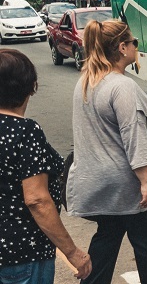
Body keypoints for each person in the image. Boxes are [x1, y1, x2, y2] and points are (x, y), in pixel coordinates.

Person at [66, 20, 147, 284]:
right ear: (123, 48)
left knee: (105, 244)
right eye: (134, 42)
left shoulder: (85, 82)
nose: (136, 47)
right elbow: (133, 136)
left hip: (100, 185)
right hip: (130, 187)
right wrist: (146, 182)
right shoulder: (121, 86)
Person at [0, 49, 92, 284]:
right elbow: (37, 200)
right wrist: (72, 252)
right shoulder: (25, 132)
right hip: (22, 254)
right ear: (31, 86)